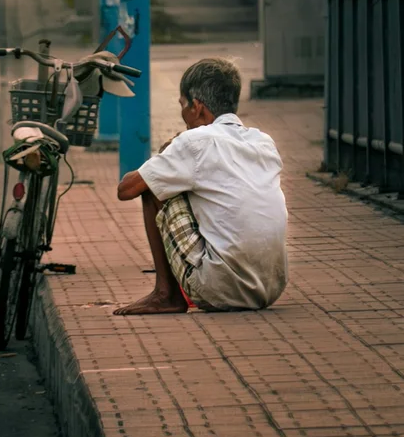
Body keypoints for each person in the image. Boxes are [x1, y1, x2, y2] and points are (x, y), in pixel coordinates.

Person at [113, 58, 288, 315]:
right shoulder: (263, 141)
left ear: (197, 107)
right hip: (271, 288)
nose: (183, 115)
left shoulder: (194, 141)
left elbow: (126, 189)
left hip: (219, 288)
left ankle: (166, 294)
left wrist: (164, 156)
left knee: (152, 186)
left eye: (183, 106)